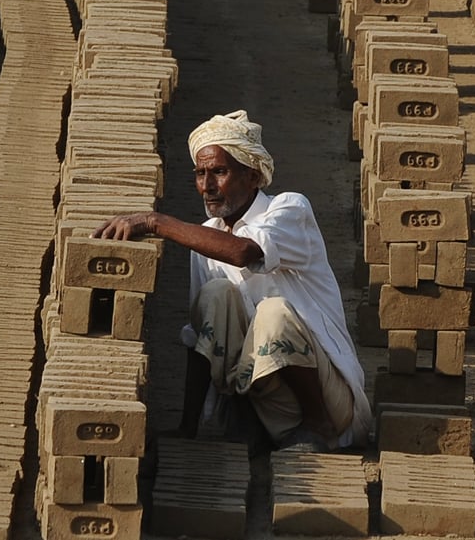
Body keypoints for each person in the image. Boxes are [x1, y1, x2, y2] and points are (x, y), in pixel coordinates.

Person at [92, 110, 372, 451]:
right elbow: (199, 334)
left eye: (219, 172)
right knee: (215, 295)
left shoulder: (289, 210)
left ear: (253, 176)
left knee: (273, 313)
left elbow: (245, 252)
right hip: (265, 402)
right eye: (200, 174)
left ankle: (316, 424)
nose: (207, 187)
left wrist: (156, 222)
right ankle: (247, 421)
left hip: (332, 404)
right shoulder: (206, 238)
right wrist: (187, 428)